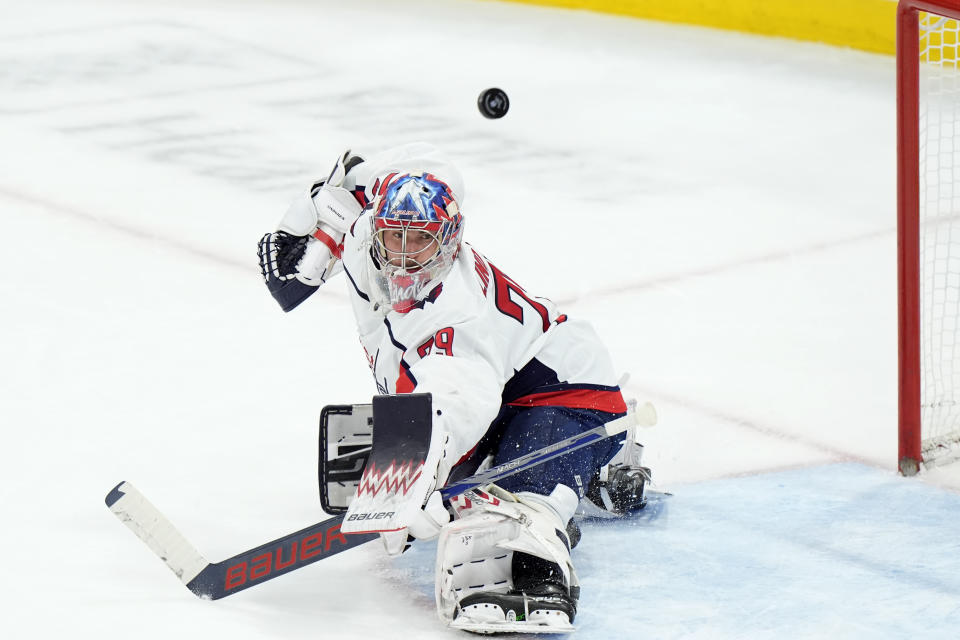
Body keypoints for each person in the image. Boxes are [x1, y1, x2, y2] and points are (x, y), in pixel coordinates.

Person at [257, 143, 645, 633]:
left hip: (564, 390)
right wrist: (317, 209)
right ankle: (569, 471)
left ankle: (570, 487)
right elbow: (367, 177)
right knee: (376, 468)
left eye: (418, 240)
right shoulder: (365, 233)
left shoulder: (457, 313)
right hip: (502, 387)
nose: (401, 255)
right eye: (392, 237)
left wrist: (412, 473)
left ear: (450, 241)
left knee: (507, 511)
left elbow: (455, 400)